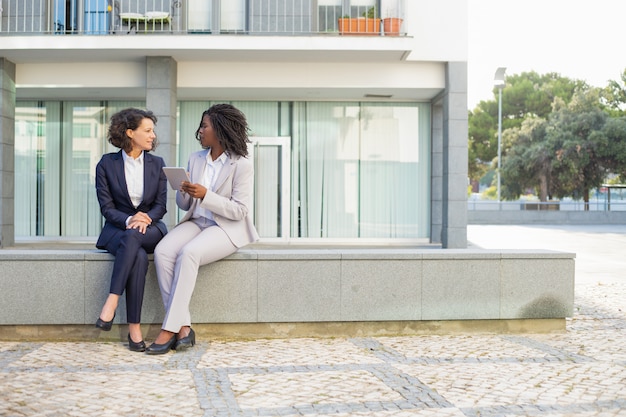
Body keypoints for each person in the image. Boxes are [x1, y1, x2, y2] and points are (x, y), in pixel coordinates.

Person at [146, 103, 259, 355]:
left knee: (189, 253)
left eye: (205, 125)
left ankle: (168, 330)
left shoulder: (241, 164)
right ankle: (183, 327)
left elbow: (240, 210)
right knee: (163, 251)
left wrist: (206, 195)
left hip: (225, 227)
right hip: (196, 221)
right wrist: (184, 191)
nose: (200, 130)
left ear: (219, 129)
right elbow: (184, 204)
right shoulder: (196, 158)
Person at [94, 108, 168, 353]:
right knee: (135, 253)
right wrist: (129, 219)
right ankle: (134, 329)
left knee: (135, 235)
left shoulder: (157, 164)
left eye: (152, 131)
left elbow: (161, 205)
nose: (153, 136)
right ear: (129, 133)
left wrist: (144, 219)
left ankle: (111, 301)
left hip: (152, 228)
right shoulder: (107, 163)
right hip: (118, 229)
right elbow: (106, 207)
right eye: (147, 131)